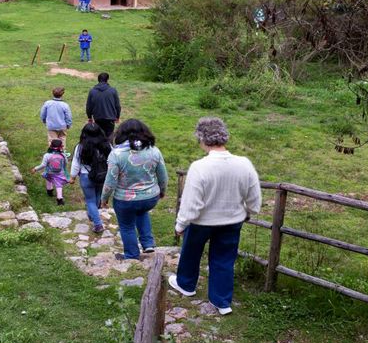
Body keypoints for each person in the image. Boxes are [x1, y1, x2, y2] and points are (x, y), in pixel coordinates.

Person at [168, 117, 261, 316]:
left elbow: (190, 203)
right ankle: (222, 301)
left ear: (201, 139)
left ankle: (186, 284)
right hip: (232, 220)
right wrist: (250, 212)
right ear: (224, 137)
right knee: (224, 259)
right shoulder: (244, 164)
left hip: (201, 222)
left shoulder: (199, 167)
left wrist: (180, 224)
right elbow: (254, 196)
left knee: (191, 252)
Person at [100, 119, 168, 260]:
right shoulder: (154, 151)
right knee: (141, 212)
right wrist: (162, 191)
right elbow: (163, 175)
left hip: (125, 200)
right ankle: (148, 243)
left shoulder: (116, 155)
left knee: (127, 226)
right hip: (150, 198)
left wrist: (104, 198)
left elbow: (110, 181)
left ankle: (132, 255)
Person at [68, 123, 111, 233]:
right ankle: (94, 213)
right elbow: (112, 159)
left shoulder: (81, 147)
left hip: (86, 175)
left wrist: (72, 177)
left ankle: (97, 224)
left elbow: (76, 163)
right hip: (103, 174)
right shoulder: (107, 145)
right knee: (98, 196)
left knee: (90, 200)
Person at [31, 139, 70, 206]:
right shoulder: (63, 155)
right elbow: (66, 162)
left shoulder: (47, 155)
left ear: (51, 146)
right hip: (59, 173)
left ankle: (49, 191)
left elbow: (43, 165)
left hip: (49, 172)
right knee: (59, 185)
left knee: (48, 179)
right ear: (61, 147)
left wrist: (35, 169)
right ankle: (59, 199)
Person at [86, 72, 121, 138]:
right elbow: (117, 105)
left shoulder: (92, 91)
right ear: (107, 80)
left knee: (99, 135)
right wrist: (117, 116)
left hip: (98, 117)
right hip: (110, 118)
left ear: (98, 80)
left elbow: (89, 106)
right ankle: (109, 147)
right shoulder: (113, 91)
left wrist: (89, 117)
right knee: (109, 136)